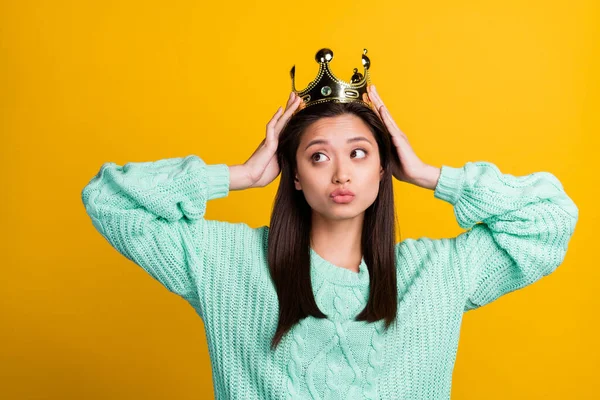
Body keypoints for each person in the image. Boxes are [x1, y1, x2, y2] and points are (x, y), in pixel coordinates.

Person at [81, 85, 579, 399]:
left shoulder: (435, 274)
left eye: (359, 153)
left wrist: (431, 176)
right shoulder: (227, 265)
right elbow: (109, 199)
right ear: (293, 174)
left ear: (383, 170)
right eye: (318, 157)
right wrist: (242, 174)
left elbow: (549, 220)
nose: (341, 172)